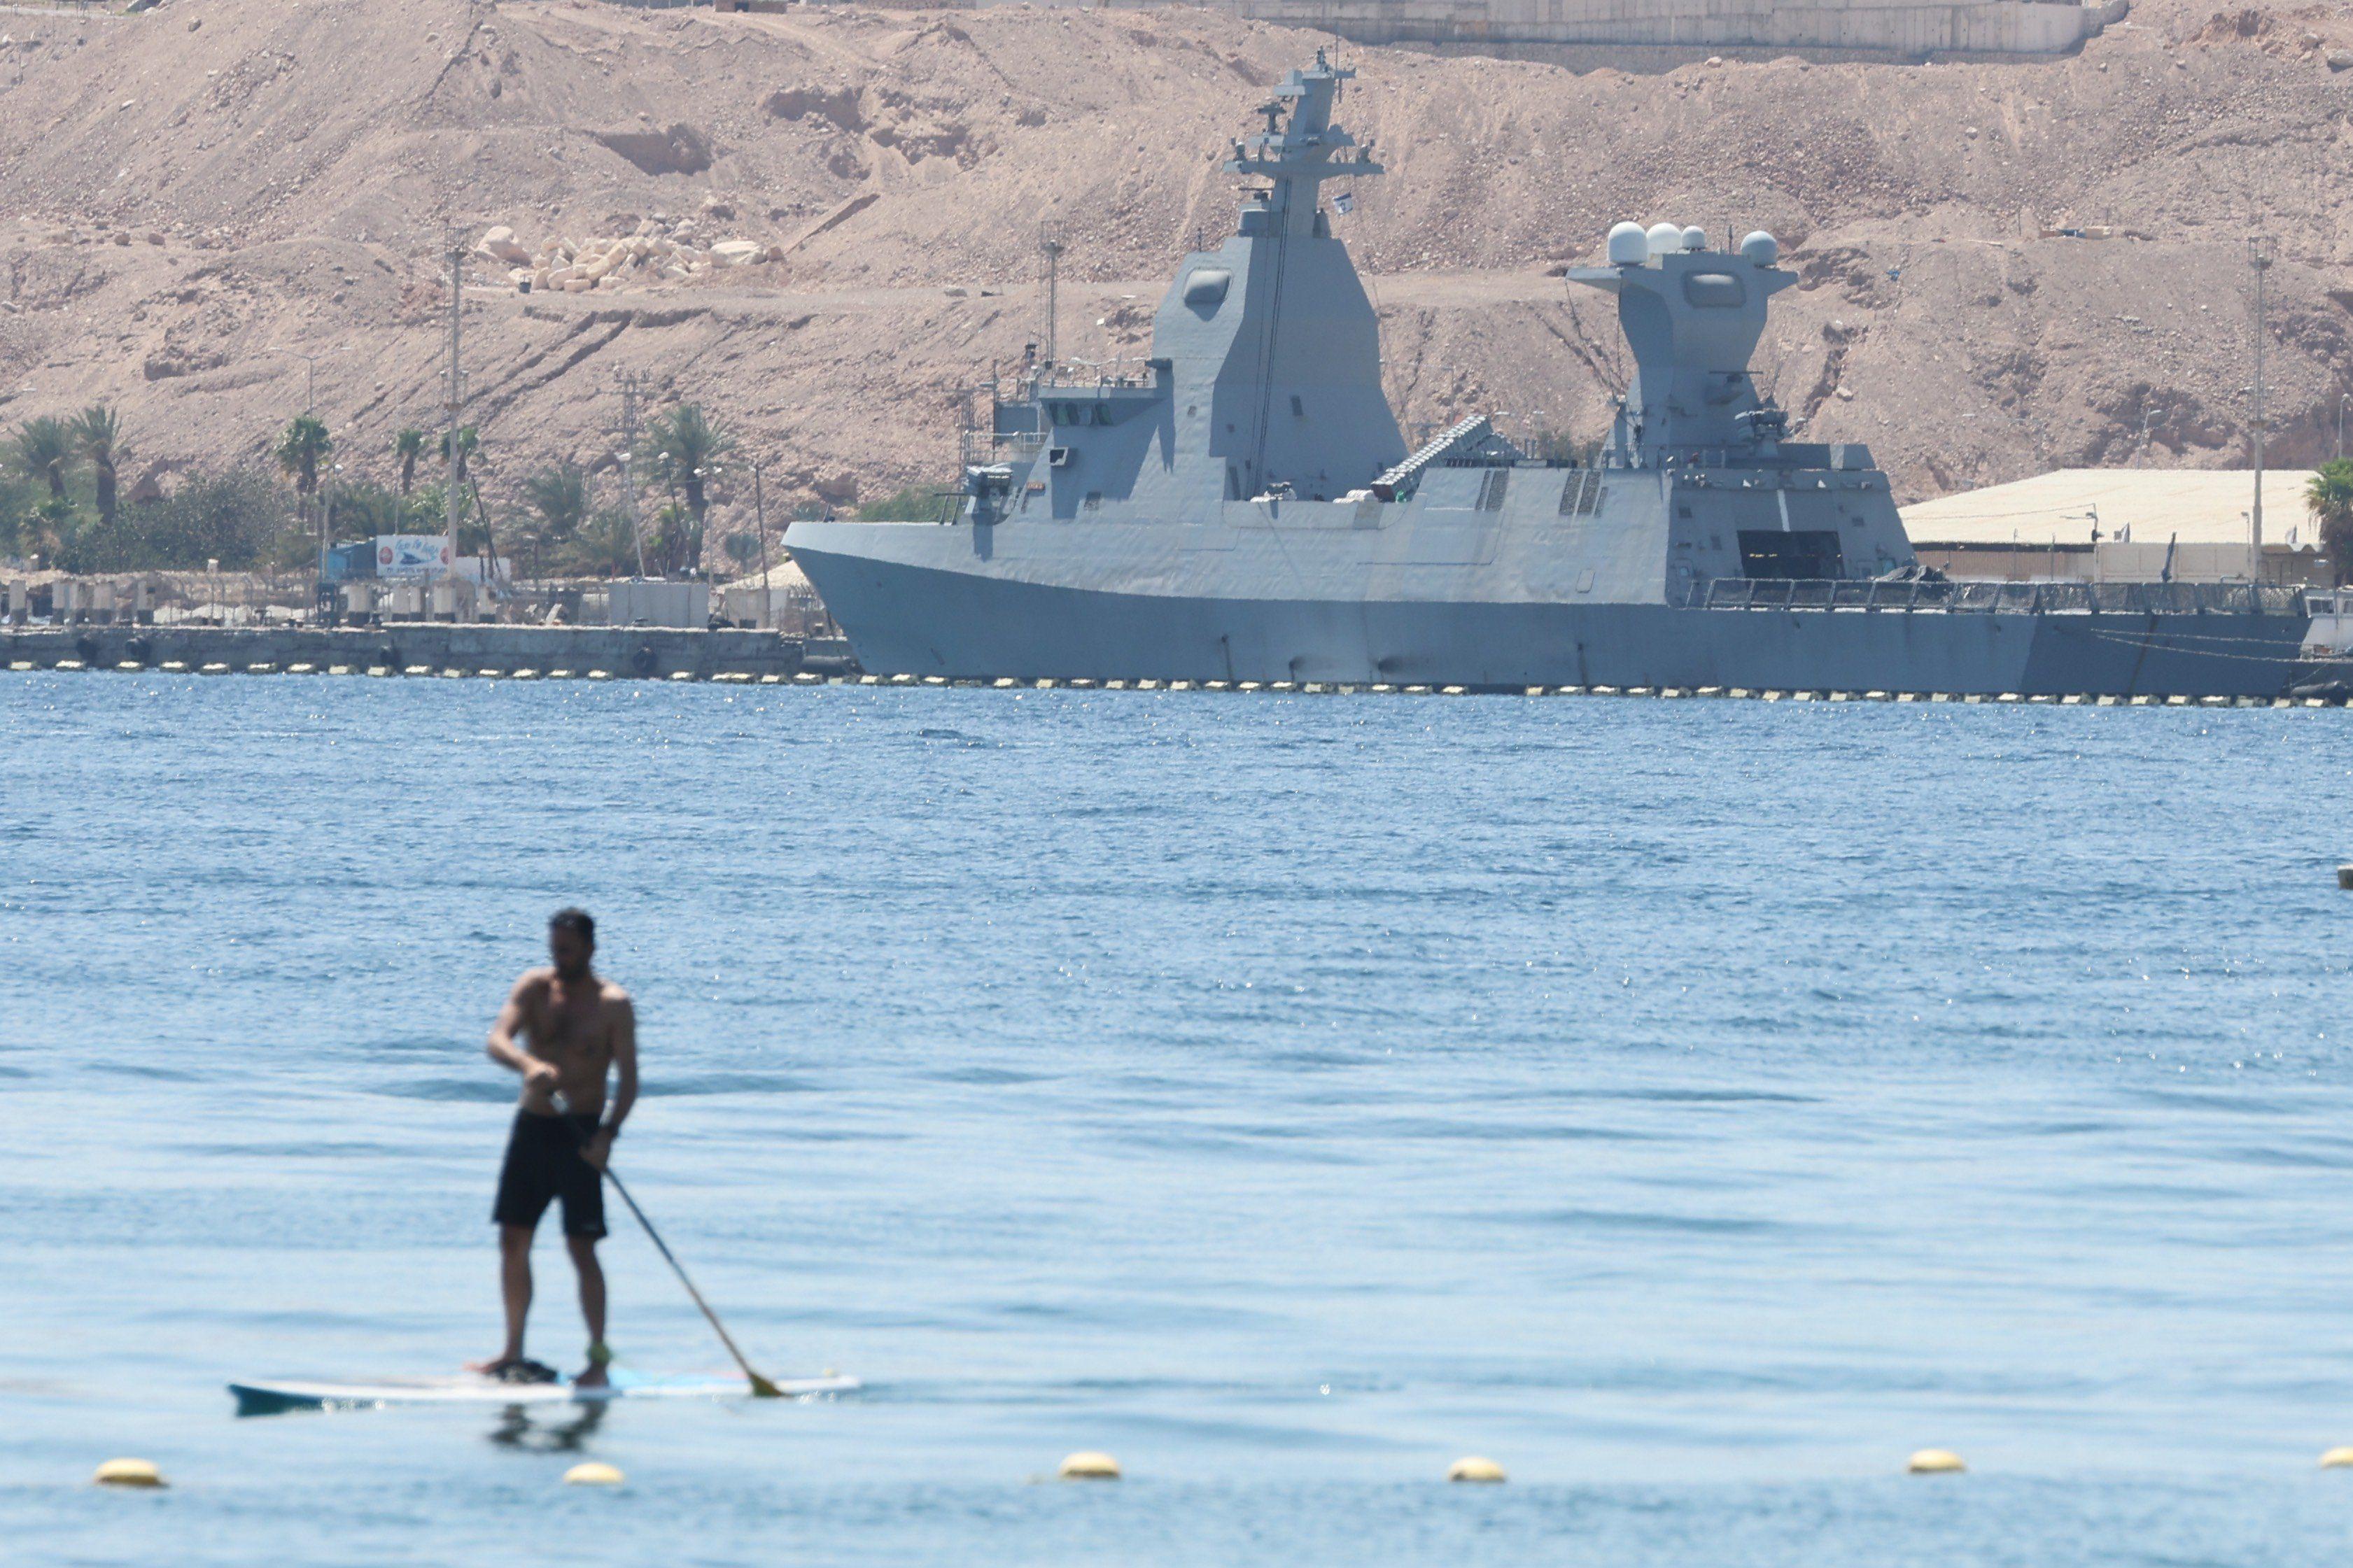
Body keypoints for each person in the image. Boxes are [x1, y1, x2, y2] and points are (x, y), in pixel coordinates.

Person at [472, 907, 638, 1386]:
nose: (558, 957)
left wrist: (608, 1135)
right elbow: (497, 1040)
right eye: (554, 948)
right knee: (512, 1238)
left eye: (566, 949)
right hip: (533, 1127)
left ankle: (598, 1361)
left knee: (581, 1246)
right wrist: (527, 1064)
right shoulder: (534, 988)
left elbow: (628, 1082)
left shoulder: (613, 1003)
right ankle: (512, 1351)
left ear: (589, 947)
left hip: (581, 1135)